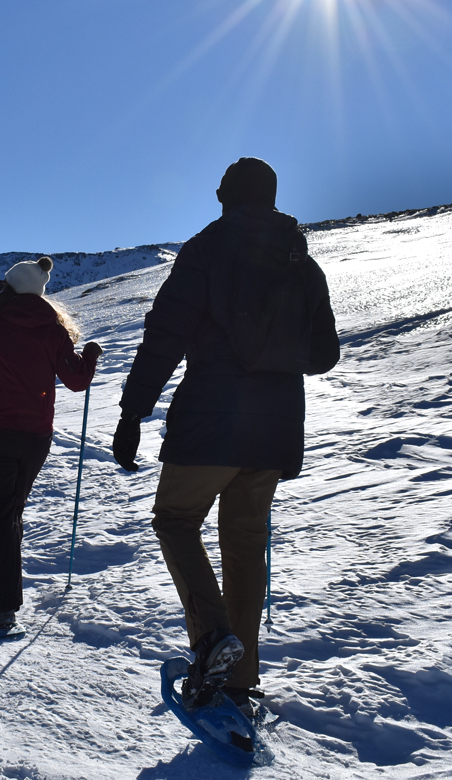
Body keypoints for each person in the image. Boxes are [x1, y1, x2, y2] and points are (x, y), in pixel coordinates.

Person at [112, 157, 338, 713]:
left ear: (224, 196)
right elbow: (325, 355)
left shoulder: (207, 249)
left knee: (175, 520)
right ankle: (239, 681)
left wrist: (132, 413)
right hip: (274, 429)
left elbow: (165, 335)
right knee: (243, 544)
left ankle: (213, 640)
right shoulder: (301, 263)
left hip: (212, 422)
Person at [0, 257, 101, 634]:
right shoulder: (52, 329)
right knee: (10, 511)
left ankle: (1, 605)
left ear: (8, 288)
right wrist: (91, 357)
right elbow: (76, 381)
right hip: (36, 438)